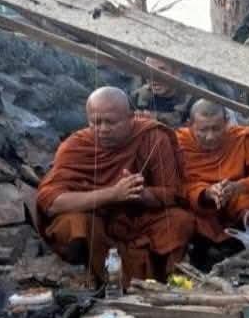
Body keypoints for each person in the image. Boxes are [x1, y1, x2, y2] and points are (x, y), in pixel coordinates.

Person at [36, 87, 194, 286]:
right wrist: (113, 194)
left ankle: (166, 280)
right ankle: (101, 279)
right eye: (95, 122)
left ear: (131, 117)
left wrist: (141, 194)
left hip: (138, 218)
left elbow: (173, 193)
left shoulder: (152, 137)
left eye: (110, 122)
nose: (102, 129)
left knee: (180, 221)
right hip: (97, 218)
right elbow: (50, 202)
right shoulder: (75, 146)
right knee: (75, 223)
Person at [176, 99, 249, 246]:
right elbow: (178, 183)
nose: (210, 137)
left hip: (238, 199)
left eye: (216, 129)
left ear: (227, 122)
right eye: (203, 130)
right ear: (189, 125)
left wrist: (238, 186)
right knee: (180, 217)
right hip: (202, 205)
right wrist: (206, 193)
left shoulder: (243, 137)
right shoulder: (178, 142)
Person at [130, 57, 192, 128]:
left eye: (162, 70)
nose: (155, 77)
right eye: (149, 70)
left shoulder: (191, 101)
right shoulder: (137, 96)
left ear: (176, 72)